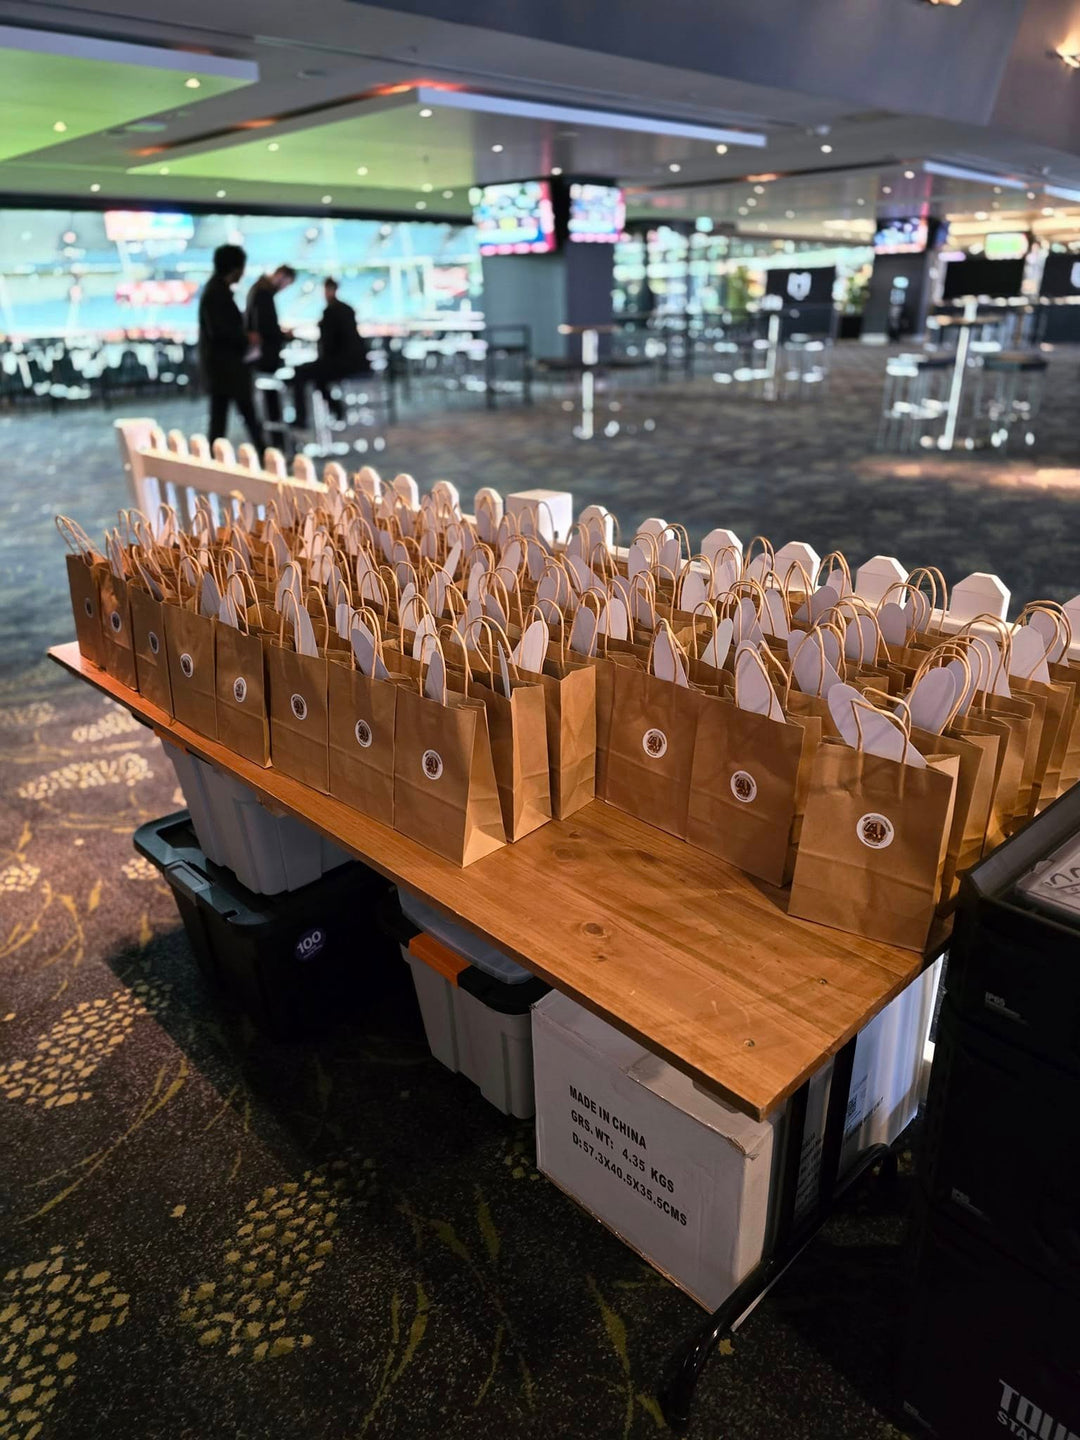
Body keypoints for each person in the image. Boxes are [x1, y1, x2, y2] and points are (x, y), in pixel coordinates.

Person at [198, 243, 263, 448]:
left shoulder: (216, 290)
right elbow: (220, 331)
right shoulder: (216, 293)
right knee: (242, 417)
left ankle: (215, 460)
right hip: (227, 369)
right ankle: (265, 454)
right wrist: (247, 338)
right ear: (235, 268)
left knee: (220, 419)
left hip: (222, 369)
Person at [291, 277, 371, 429]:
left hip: (343, 363)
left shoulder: (331, 311)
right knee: (318, 379)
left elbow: (329, 345)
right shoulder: (346, 308)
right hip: (355, 361)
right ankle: (336, 409)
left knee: (301, 373)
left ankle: (301, 419)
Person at [245, 264, 296, 422]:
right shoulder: (263, 293)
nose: (285, 287)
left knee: (270, 400)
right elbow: (266, 327)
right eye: (287, 283)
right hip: (265, 356)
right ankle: (277, 434)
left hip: (263, 355)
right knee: (271, 400)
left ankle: (275, 430)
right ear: (281, 276)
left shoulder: (260, 290)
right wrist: (284, 336)